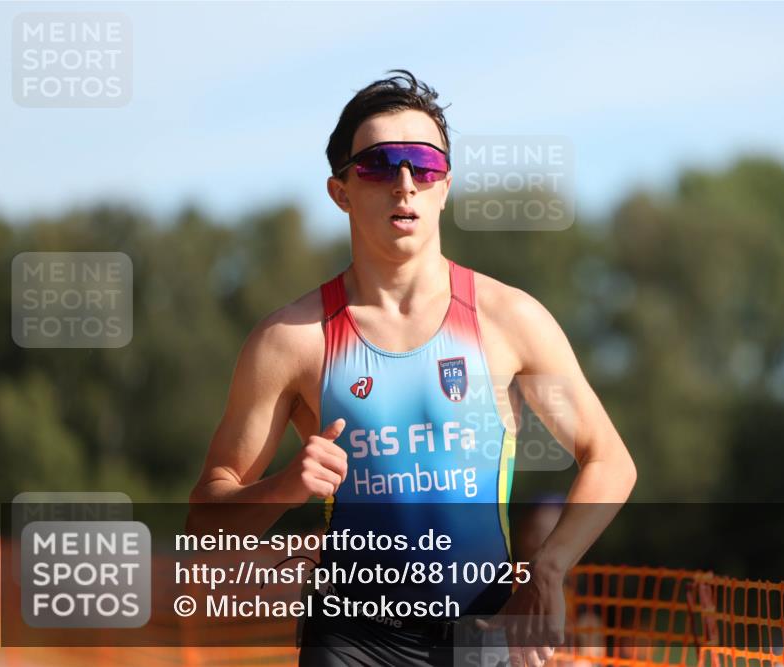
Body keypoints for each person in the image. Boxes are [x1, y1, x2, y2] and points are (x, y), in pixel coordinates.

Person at [187, 69, 637, 667]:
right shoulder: (291, 340)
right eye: (378, 165)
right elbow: (205, 525)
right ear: (341, 191)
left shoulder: (509, 319)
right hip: (350, 643)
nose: (405, 184)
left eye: (424, 165)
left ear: (445, 187)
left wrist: (548, 568)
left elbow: (609, 459)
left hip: (481, 635)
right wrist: (284, 488)